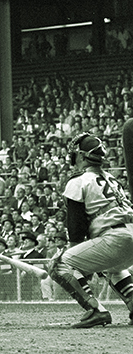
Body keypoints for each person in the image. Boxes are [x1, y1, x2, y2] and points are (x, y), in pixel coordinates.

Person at [47, 132, 133, 328]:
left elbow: (76, 229)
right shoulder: (112, 179)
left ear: (81, 156)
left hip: (115, 237)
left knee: (58, 263)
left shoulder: (78, 181)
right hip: (128, 233)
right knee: (113, 268)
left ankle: (95, 310)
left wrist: (78, 265)